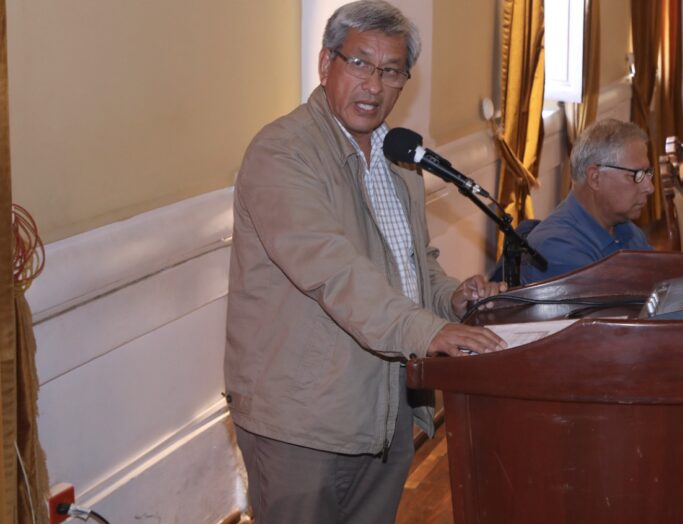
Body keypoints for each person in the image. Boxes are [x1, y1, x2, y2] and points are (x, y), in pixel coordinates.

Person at [224, 1, 506, 522]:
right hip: (303, 421)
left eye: (391, 71)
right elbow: (333, 271)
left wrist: (450, 298)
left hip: (386, 406)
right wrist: (429, 331)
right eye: (359, 63)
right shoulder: (282, 152)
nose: (374, 85)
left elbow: (413, 263)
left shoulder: (399, 160)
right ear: (325, 63)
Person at [520, 118, 655, 284]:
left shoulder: (625, 228)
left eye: (648, 173)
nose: (650, 188)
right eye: (637, 175)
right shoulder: (558, 249)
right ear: (595, 178)